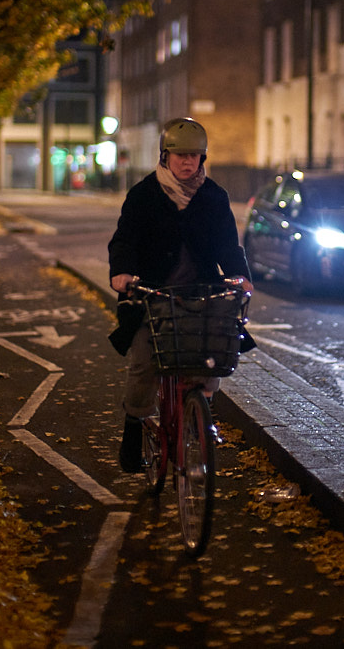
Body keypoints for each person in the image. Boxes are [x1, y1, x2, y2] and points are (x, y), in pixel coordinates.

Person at [108, 117, 254, 473]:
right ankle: (133, 429)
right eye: (180, 155)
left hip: (201, 292)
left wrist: (239, 275)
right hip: (152, 293)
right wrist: (122, 273)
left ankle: (198, 408)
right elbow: (124, 238)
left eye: (195, 156)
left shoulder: (214, 197)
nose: (188, 162)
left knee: (215, 349)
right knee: (144, 362)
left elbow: (227, 244)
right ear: (165, 156)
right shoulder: (143, 195)